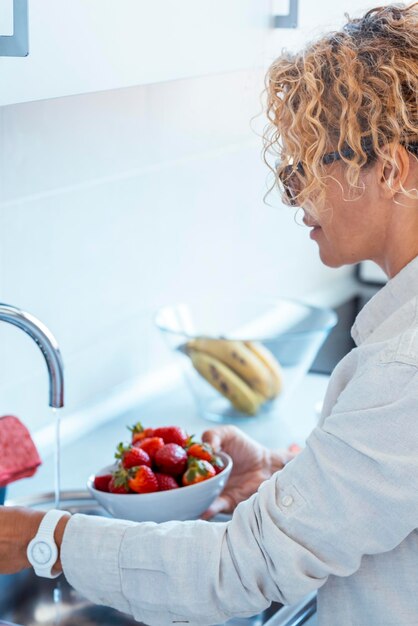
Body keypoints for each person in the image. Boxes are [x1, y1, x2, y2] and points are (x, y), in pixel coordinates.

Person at [1, 3, 418, 625]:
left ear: (388, 167)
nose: (293, 195)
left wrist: (45, 540)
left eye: (305, 166)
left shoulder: (403, 365)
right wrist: (283, 473)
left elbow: (240, 570)